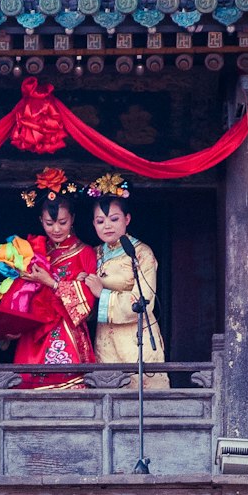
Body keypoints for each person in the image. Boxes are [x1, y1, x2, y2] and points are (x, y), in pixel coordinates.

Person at [12, 167, 97, 390]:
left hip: (67, 332)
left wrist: (52, 283)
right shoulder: (33, 251)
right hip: (33, 332)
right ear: (41, 220)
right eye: (49, 224)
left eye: (62, 222)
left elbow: (86, 304)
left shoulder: (85, 253)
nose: (56, 229)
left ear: (73, 219)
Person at [85, 172, 169, 390]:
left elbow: (144, 300)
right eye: (100, 221)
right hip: (105, 339)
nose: (107, 226)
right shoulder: (93, 254)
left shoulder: (141, 253)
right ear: (93, 224)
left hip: (135, 338)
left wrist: (100, 294)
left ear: (127, 219)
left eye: (114, 219)